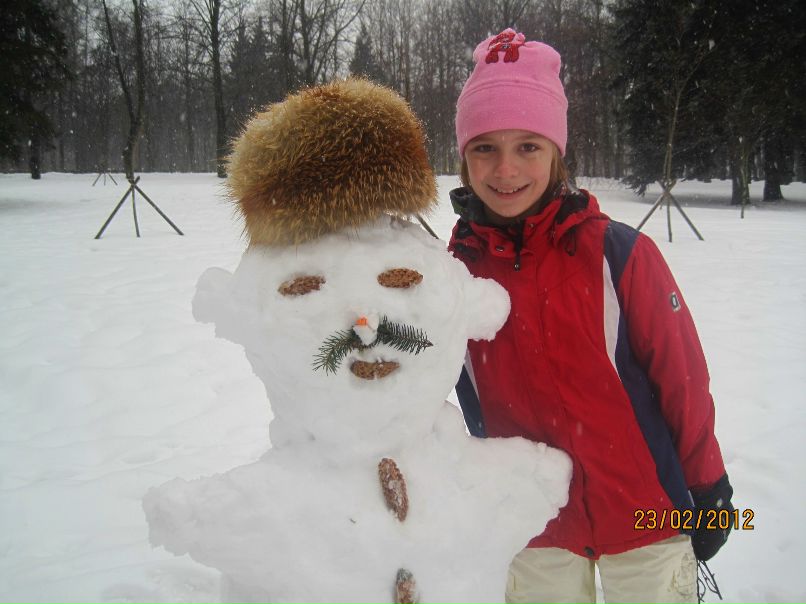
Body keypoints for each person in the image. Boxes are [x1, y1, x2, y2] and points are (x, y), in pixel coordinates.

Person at [449, 29, 734, 604]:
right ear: (463, 156)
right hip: (530, 521)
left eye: (528, 145)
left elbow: (683, 380)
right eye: (485, 147)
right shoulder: (448, 278)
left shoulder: (620, 254)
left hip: (646, 515)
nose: (505, 169)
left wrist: (706, 488)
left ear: (558, 153)